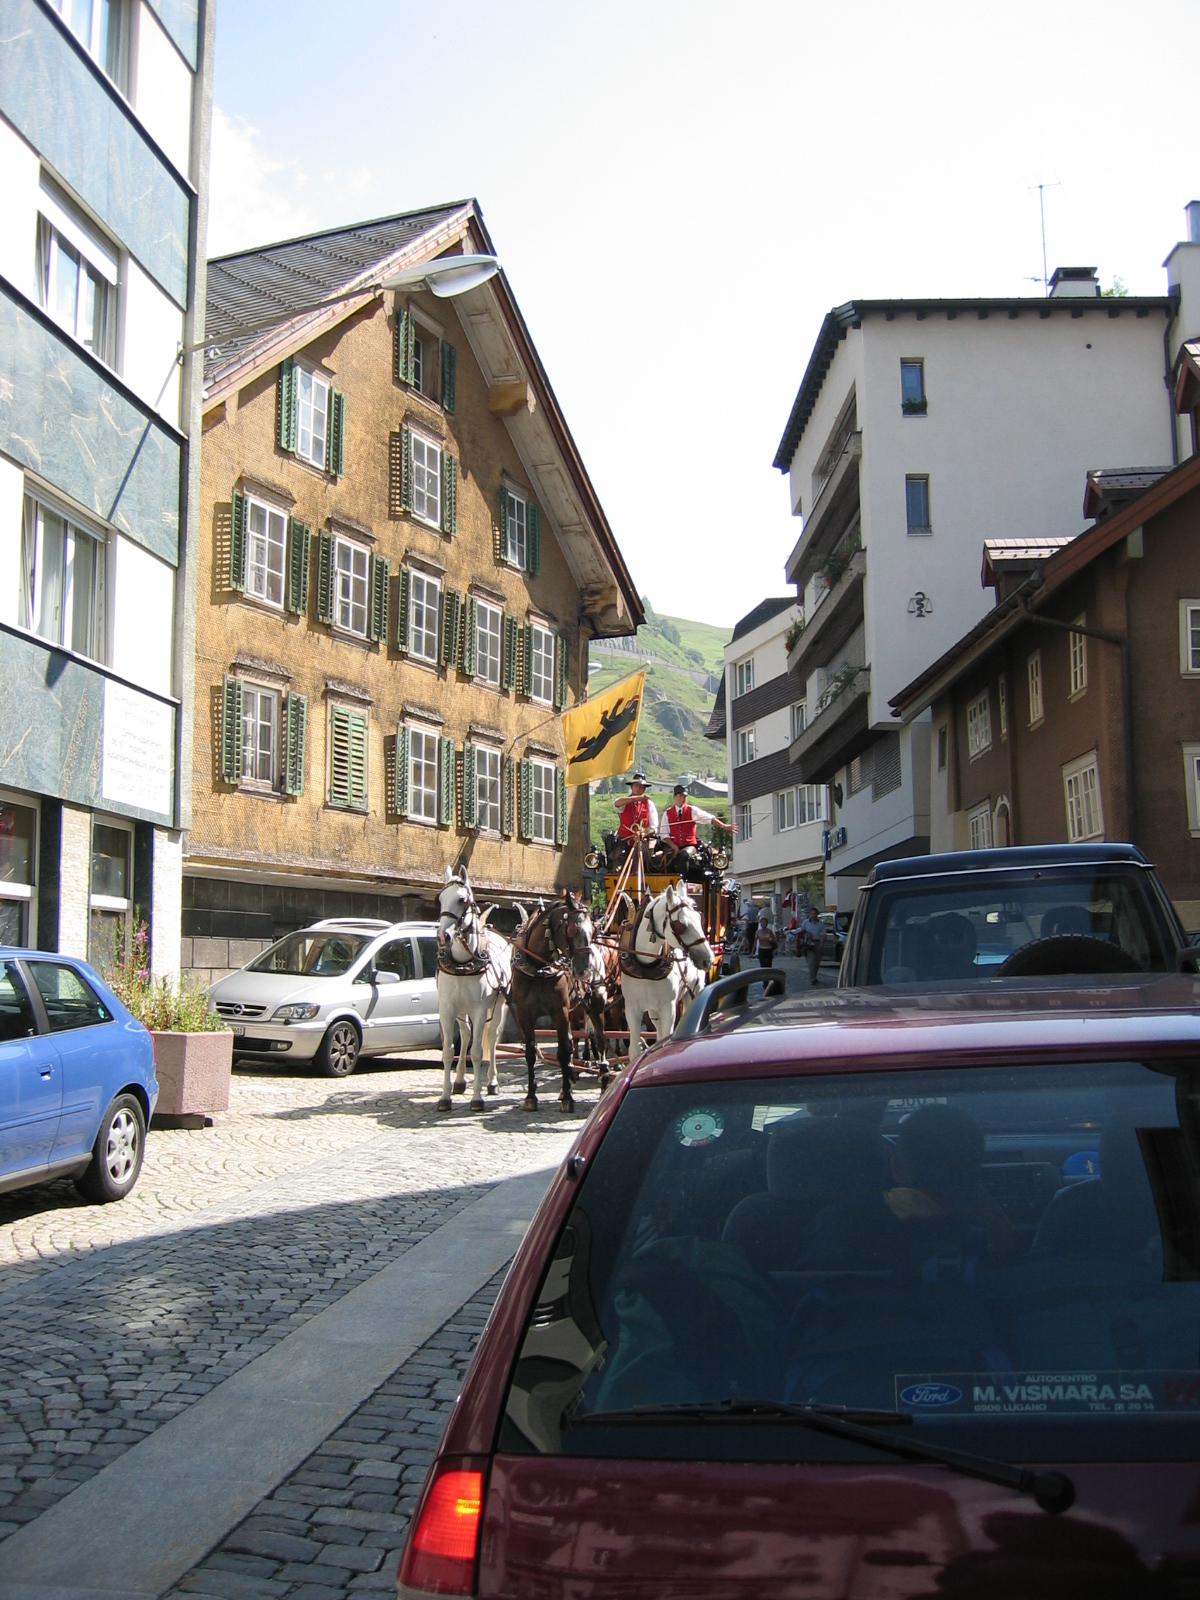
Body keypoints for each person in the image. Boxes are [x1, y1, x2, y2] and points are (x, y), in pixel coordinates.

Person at [659, 782, 732, 870]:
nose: (683, 799)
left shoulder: (692, 810)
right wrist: (673, 845)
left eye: (685, 796)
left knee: (683, 855)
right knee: (667, 857)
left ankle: (682, 877)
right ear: (674, 796)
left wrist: (723, 826)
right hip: (673, 845)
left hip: (689, 845)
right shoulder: (667, 813)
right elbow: (664, 834)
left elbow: (709, 818)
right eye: (680, 796)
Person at [616, 771, 659, 841]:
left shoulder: (649, 804)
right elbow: (616, 803)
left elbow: (654, 827)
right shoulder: (624, 801)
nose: (638, 788)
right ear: (631, 787)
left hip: (642, 839)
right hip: (624, 839)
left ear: (644, 789)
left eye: (641, 786)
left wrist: (644, 833)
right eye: (636, 785)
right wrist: (636, 798)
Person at [798, 905, 824, 986]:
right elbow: (801, 932)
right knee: (811, 961)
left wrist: (822, 942)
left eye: (814, 914)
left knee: (817, 962)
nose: (813, 916)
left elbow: (824, 934)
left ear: (817, 915)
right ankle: (811, 978)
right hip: (809, 944)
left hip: (817, 942)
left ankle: (814, 976)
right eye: (811, 914)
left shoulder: (820, 923)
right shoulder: (806, 922)